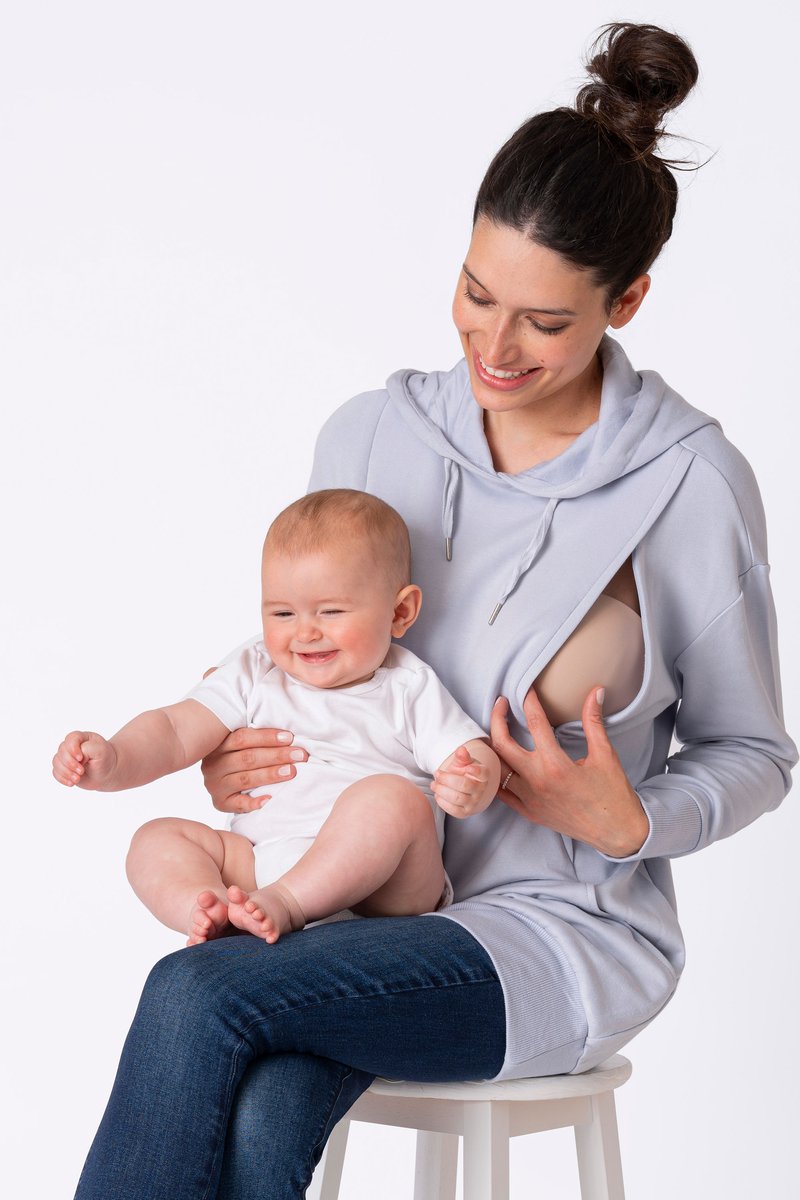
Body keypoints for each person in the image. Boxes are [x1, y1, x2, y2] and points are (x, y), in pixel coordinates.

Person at [72, 22, 796, 1200]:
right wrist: (233, 754)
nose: (492, 347)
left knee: (197, 994)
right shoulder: (368, 437)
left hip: (551, 933)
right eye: (474, 293)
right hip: (338, 900)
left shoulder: (688, 484)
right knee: (260, 1108)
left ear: (627, 300)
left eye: (544, 322)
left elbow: (754, 752)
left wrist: (630, 821)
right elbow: (302, 659)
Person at [53, 490, 500, 944]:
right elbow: (174, 729)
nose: (305, 632)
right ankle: (210, 909)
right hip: (261, 864)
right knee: (155, 839)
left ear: (399, 612)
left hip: (384, 888)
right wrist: (116, 758)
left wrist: (472, 780)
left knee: (393, 799)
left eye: (331, 611)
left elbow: (468, 754)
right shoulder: (255, 669)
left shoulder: (407, 685)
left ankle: (287, 903)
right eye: (283, 613)